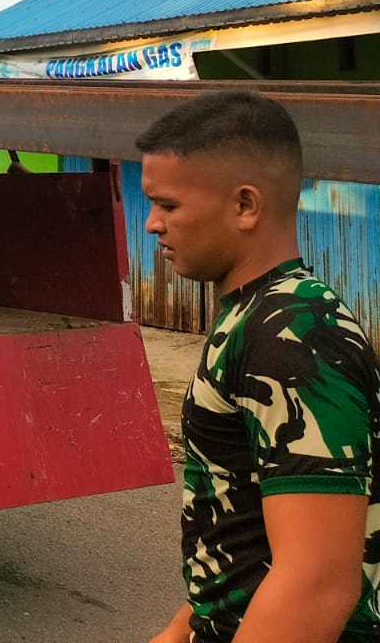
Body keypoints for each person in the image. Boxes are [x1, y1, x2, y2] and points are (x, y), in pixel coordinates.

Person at [139, 91, 380, 643]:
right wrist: (181, 628)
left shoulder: (293, 337)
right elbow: (240, 517)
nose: (152, 223)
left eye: (168, 205)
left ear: (246, 205)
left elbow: (316, 584)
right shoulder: (257, 315)